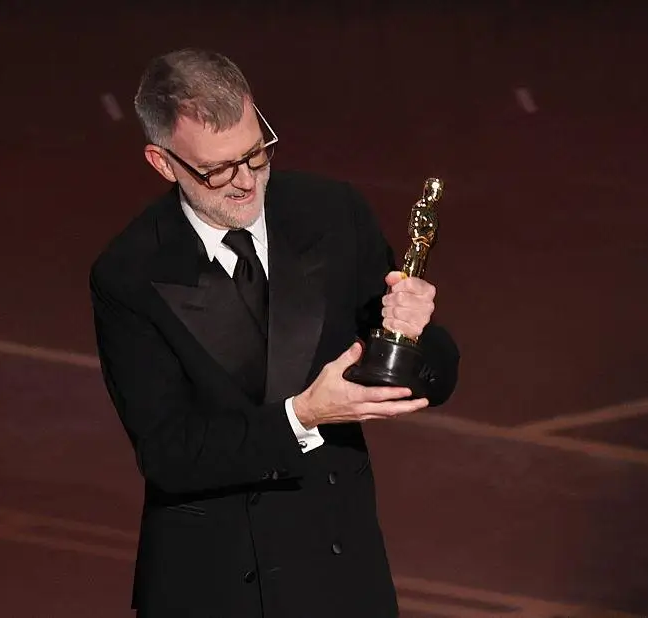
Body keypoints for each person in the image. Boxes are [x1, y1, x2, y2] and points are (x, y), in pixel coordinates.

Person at [89, 47, 460, 618]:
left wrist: (413, 335)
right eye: (216, 168)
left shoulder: (331, 212)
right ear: (163, 164)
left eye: (255, 153)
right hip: (216, 587)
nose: (244, 182)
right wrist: (301, 416)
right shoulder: (130, 274)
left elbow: (421, 373)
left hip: (341, 577)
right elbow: (170, 454)